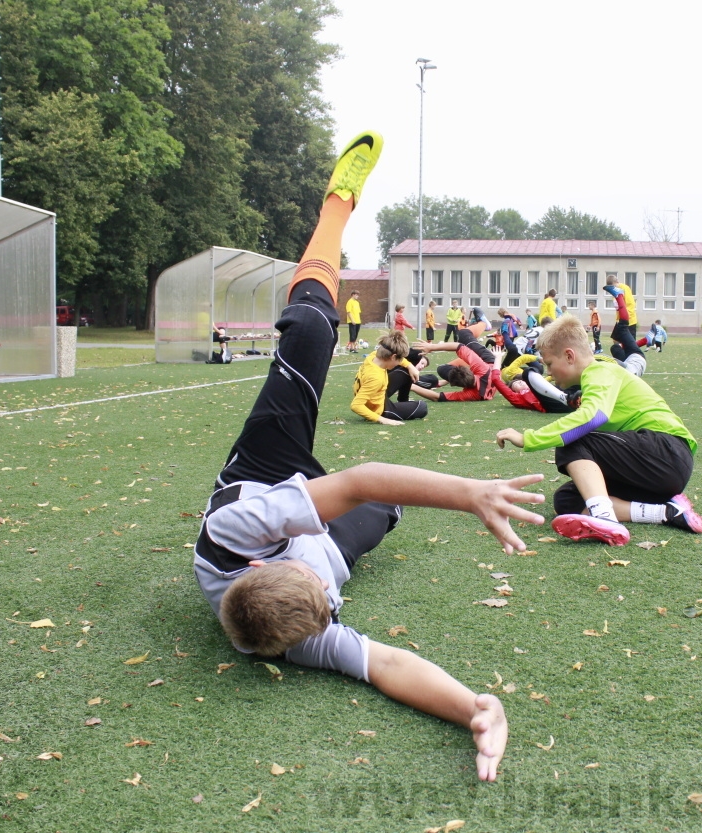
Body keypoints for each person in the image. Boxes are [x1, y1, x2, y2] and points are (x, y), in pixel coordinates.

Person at [195, 131, 543, 782]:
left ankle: (338, 201)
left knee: (310, 331)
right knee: (386, 506)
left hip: (259, 475)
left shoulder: (235, 532)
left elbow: (358, 477)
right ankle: (352, 530)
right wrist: (476, 706)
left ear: (267, 554)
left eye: (320, 585)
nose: (331, 595)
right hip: (295, 543)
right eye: (329, 598)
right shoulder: (296, 635)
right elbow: (385, 664)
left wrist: (471, 492)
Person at [495, 314, 702, 546]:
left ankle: (606, 518)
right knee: (568, 501)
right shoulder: (593, 381)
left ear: (569, 356)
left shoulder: (600, 372)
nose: (550, 374)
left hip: (667, 452)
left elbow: (592, 418)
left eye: (550, 364)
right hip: (655, 473)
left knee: (575, 440)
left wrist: (528, 438)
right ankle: (667, 512)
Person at [351, 330, 428, 424]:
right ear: (393, 357)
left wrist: (410, 366)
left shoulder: (373, 355)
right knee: (422, 407)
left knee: (406, 371)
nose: (399, 362)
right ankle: (397, 408)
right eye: (398, 359)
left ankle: (403, 402)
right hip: (380, 409)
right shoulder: (376, 378)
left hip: (378, 395)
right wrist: (383, 420)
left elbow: (401, 360)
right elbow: (356, 405)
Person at [604, 275, 637, 339]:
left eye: (613, 286)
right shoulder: (614, 291)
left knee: (630, 345)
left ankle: (646, 340)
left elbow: (630, 304)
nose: (612, 289)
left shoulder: (624, 288)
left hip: (629, 321)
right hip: (620, 321)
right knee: (615, 340)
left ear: (617, 282)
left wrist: (625, 318)